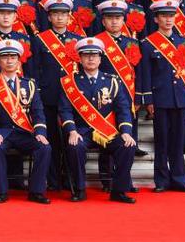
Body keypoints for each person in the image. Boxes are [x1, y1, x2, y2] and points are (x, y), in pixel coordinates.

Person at [59, 37, 137, 203]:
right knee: (75, 146)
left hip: (107, 132)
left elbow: (123, 109)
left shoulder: (112, 81)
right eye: (86, 55)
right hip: (81, 131)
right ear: (80, 59)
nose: (91, 59)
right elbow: (65, 110)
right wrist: (72, 131)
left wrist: (125, 132)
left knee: (128, 145)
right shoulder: (70, 82)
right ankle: (79, 189)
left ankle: (119, 191)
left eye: (94, 55)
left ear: (100, 59)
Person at [0, 38, 51, 204]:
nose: (9, 61)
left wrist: (40, 132)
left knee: (44, 147)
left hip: (24, 132)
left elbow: (38, 112)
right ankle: (1, 191)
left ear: (19, 61)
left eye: (13, 57)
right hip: (2, 132)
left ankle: (36, 191)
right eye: (5, 57)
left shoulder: (29, 85)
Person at [142, 0, 185, 193]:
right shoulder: (148, 44)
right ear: (156, 19)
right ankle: (162, 181)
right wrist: (148, 99)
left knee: (178, 141)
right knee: (162, 141)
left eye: (171, 16)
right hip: (160, 99)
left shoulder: (184, 42)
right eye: (163, 16)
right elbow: (146, 74)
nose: (168, 19)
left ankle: (180, 180)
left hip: (180, 97)